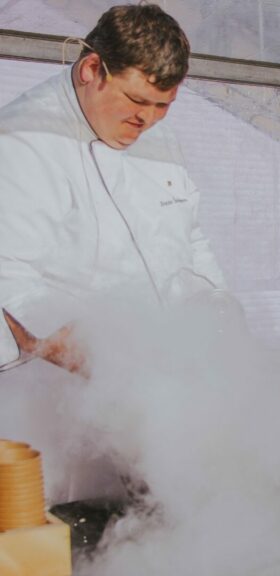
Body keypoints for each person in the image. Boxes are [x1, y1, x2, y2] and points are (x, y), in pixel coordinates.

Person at [0, 4, 225, 375]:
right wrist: (122, 375)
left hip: (158, 375)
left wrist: (219, 311)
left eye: (163, 106)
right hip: (56, 390)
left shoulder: (157, 136)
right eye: (136, 100)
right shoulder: (23, 141)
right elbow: (13, 292)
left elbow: (190, 238)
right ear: (92, 69)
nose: (147, 119)